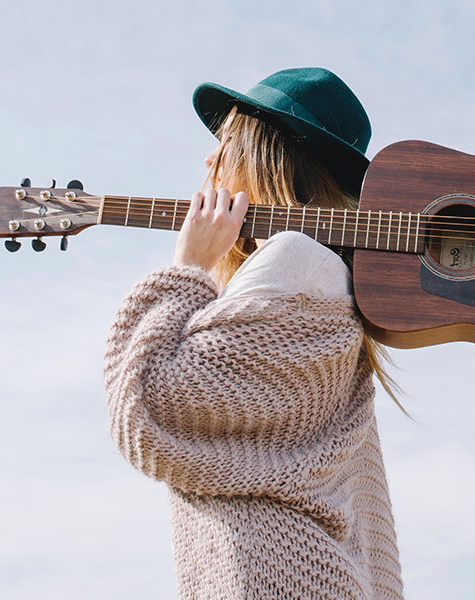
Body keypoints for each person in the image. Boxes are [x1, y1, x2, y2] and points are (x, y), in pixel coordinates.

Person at [104, 68, 405, 600]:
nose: (207, 161)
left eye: (223, 143)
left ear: (261, 153)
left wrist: (189, 268)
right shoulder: (324, 282)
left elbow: (151, 402)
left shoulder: (295, 261)